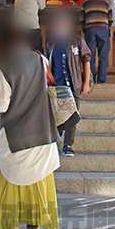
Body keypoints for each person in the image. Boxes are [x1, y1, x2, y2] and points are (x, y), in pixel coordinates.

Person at [0, 13, 59, 229]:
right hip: (42, 137)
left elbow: (1, 106)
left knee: (10, 196)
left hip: (15, 140)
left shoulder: (2, 68)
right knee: (37, 194)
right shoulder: (40, 60)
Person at [45, 11, 92, 156]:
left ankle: (68, 145)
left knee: (73, 116)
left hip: (74, 83)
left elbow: (86, 60)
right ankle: (54, 142)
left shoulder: (77, 40)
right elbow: (47, 65)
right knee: (56, 116)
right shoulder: (51, 44)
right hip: (57, 85)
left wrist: (86, 83)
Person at [80, 0, 113, 85]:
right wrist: (108, 29)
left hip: (90, 28)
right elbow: (111, 18)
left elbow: (81, 19)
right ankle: (101, 81)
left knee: (91, 55)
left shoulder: (86, 1)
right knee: (103, 56)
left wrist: (85, 30)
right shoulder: (106, 1)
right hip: (103, 28)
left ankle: (92, 79)